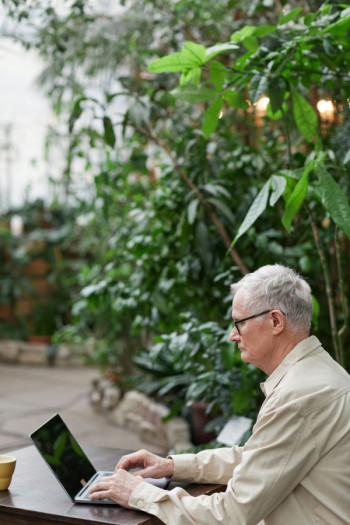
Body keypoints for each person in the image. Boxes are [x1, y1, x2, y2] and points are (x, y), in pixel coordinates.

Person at [89, 264, 350, 524]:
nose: (232, 336)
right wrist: (172, 466)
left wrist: (139, 493)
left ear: (275, 321)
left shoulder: (298, 396)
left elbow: (232, 514)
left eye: (239, 323)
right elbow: (259, 458)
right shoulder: (323, 373)